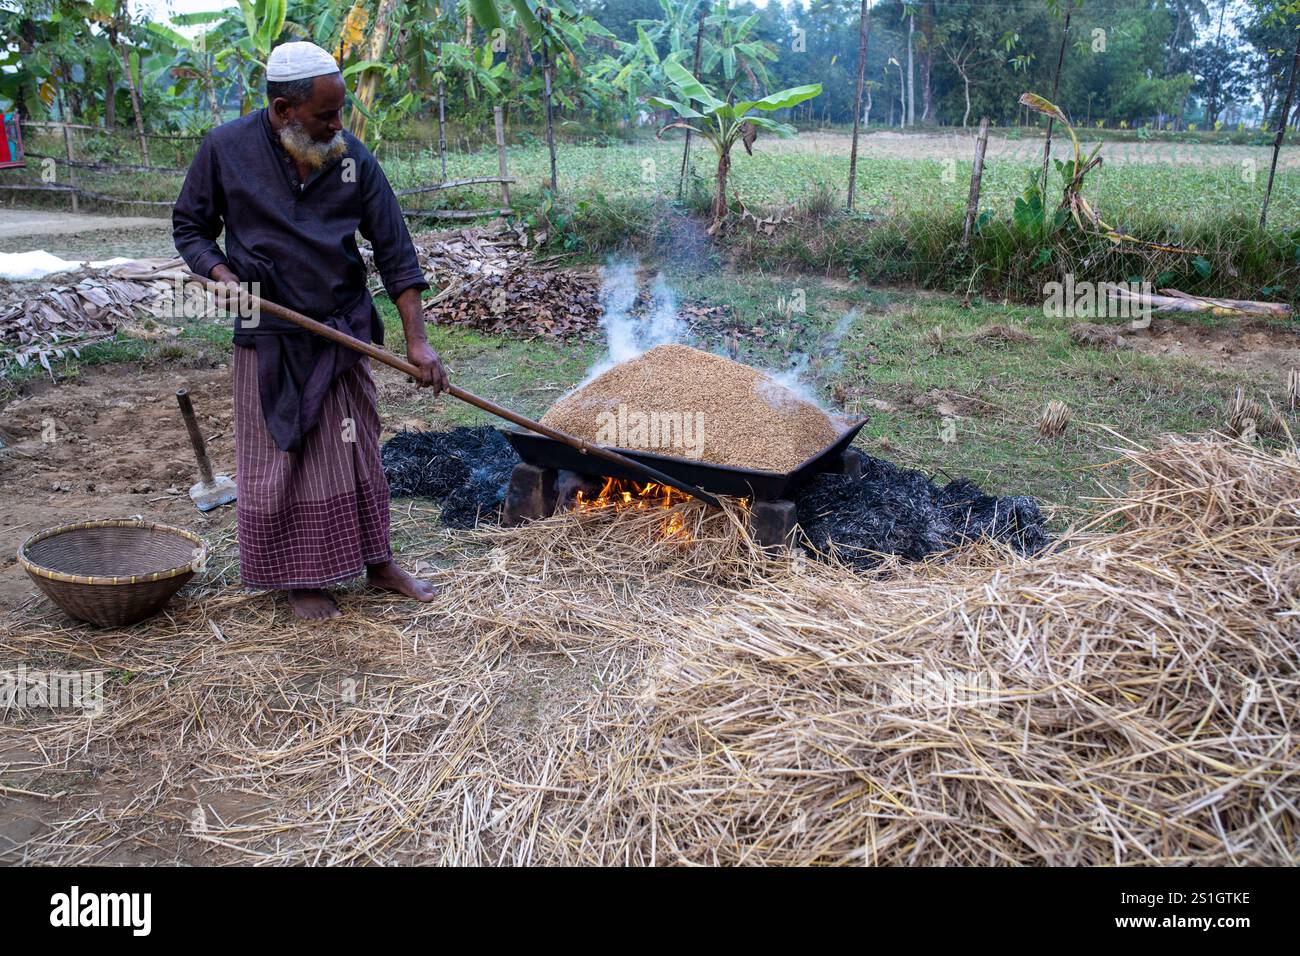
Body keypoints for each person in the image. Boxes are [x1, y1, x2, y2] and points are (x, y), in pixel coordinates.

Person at [173, 41, 447, 621]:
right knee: (283, 454)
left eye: (339, 111)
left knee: (355, 452)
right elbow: (190, 228)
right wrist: (221, 274)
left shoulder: (351, 159)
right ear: (282, 110)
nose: (336, 124)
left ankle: (378, 561)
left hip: (341, 328)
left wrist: (417, 342)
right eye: (325, 114)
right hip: (268, 329)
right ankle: (301, 577)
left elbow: (396, 252)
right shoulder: (226, 150)